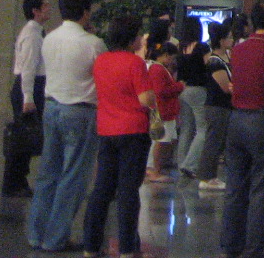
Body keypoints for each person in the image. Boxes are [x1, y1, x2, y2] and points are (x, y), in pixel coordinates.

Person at [27, 0, 105, 253]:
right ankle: (56, 237)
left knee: (48, 174)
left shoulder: (49, 37)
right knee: (73, 177)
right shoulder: (93, 43)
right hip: (80, 111)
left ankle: (36, 234)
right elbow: (103, 76)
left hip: (52, 107)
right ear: (86, 11)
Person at [81, 13, 157, 258]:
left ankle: (91, 246)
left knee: (101, 189)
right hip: (133, 130)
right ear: (131, 38)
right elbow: (145, 98)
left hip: (106, 128)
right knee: (127, 191)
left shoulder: (101, 60)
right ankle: (127, 248)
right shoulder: (135, 64)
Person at [221, 0, 264, 258]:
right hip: (262, 120)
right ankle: (254, 247)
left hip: (236, 119)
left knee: (235, 185)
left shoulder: (238, 50)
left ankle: (230, 244)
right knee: (261, 187)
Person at [3, 0, 50, 197]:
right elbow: (29, 69)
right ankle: (14, 183)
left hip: (30, 86)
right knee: (23, 138)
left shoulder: (36, 31)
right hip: (28, 87)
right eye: (45, 5)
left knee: (25, 137)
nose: (49, 8)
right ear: (36, 10)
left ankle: (18, 180)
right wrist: (28, 97)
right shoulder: (32, 35)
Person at [195, 20, 237, 189]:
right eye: (229, 37)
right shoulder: (215, 61)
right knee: (213, 141)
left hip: (225, 106)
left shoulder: (227, 57)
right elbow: (226, 87)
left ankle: (210, 175)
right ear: (221, 40)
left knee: (219, 141)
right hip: (216, 106)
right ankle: (206, 176)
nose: (232, 40)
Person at [174, 18, 211, 177]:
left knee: (186, 129)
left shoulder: (180, 48)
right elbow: (209, 67)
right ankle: (190, 165)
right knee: (203, 129)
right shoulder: (202, 47)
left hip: (183, 90)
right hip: (199, 90)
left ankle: (181, 163)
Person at [145, 42, 185, 182]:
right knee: (160, 141)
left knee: (165, 140)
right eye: (172, 58)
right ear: (166, 56)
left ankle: (154, 168)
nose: (173, 61)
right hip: (163, 111)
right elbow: (161, 90)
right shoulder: (157, 69)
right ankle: (154, 170)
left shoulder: (158, 68)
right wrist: (179, 86)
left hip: (165, 110)